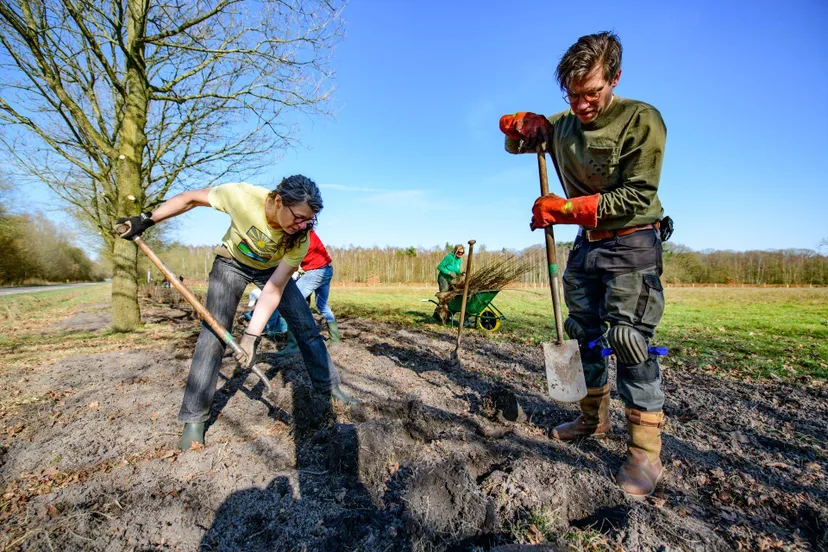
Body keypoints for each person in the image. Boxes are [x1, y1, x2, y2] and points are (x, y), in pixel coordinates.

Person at [500, 31, 668, 499]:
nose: (581, 104)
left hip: (632, 242)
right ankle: (592, 419)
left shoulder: (641, 119)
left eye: (591, 92)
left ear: (614, 78)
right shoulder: (566, 123)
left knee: (629, 340)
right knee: (583, 333)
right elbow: (518, 144)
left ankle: (644, 452)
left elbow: (638, 195)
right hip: (587, 247)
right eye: (572, 95)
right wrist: (516, 124)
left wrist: (564, 209)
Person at [116, 175, 359, 450]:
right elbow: (190, 198)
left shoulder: (299, 238)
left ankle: (330, 387)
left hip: (272, 270)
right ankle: (195, 418)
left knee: (305, 326)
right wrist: (148, 218)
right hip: (230, 264)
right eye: (299, 217)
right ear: (279, 201)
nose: (303, 226)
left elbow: (273, 289)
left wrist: (251, 336)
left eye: (309, 220)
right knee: (213, 335)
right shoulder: (243, 197)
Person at [279, 230, 339, 355]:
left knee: (291, 303)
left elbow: (292, 265)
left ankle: (293, 345)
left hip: (315, 272)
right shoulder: (308, 231)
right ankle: (335, 340)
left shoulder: (298, 235)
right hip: (326, 269)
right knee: (322, 305)